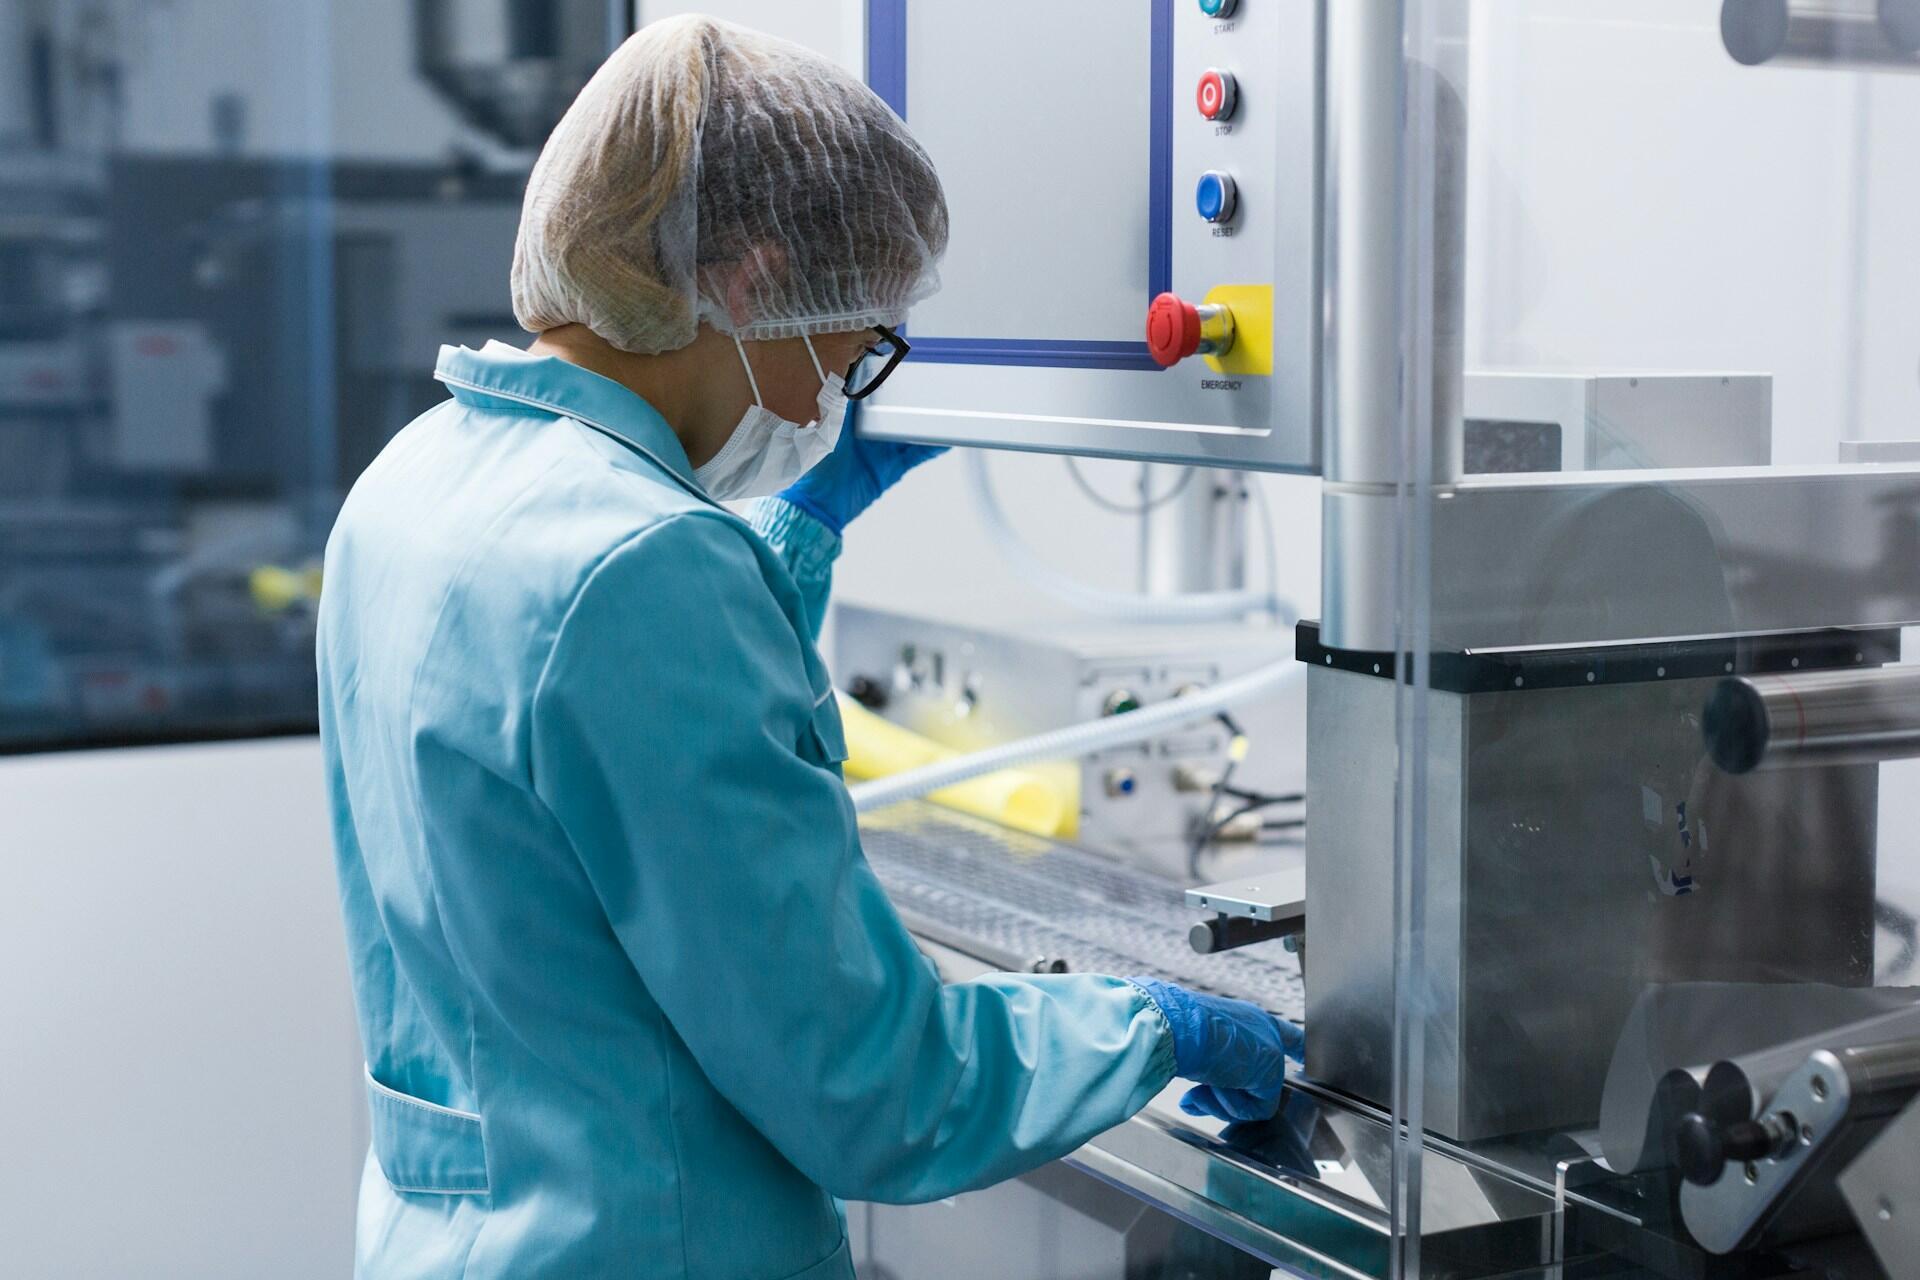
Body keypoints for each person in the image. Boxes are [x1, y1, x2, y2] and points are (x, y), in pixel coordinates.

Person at [318, 15, 1301, 1279]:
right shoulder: (644, 567)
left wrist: (788, 537)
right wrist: (1146, 1027)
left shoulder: (415, 483)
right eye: (858, 330)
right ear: (746, 279)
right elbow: (871, 1086)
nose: (851, 376)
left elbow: (584, 727)